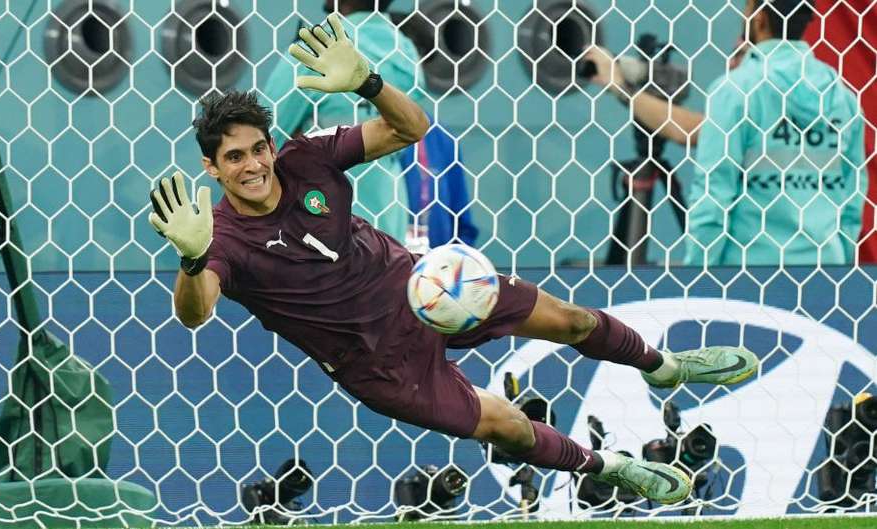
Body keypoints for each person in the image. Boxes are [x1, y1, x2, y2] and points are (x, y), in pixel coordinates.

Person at [148, 14, 760, 504]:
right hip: (374, 363)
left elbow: (411, 130)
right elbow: (196, 315)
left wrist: (368, 83)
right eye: (234, 158)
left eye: (258, 148)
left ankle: (663, 365)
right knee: (508, 428)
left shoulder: (306, 156)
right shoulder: (218, 235)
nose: (253, 165)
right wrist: (194, 259)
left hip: (423, 287)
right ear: (211, 166)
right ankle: (611, 467)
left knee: (570, 320)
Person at [584, 0, 866, 267]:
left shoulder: (737, 91)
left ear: (759, 16)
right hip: (824, 272)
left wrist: (700, 279)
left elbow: (713, 195)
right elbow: (853, 201)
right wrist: (838, 265)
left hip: (748, 275)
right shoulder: (843, 97)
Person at [260, 0, 423, 243]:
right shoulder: (407, 54)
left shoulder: (317, 50)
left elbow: (260, 134)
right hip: (388, 220)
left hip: (321, 226)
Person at [399, 116, 478, 253]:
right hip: (374, 261)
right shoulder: (357, 129)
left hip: (433, 260)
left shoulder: (437, 134)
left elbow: (461, 225)